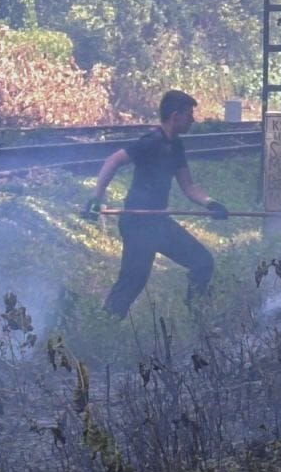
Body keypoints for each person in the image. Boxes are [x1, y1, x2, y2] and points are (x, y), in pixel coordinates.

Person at [82, 90, 230, 317]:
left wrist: (211, 204)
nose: (193, 120)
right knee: (133, 280)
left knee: (202, 263)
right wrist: (97, 197)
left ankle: (197, 317)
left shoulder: (176, 146)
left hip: (158, 222)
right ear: (175, 115)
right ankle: (105, 322)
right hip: (138, 222)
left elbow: (188, 186)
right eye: (189, 115)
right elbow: (113, 161)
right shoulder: (151, 142)